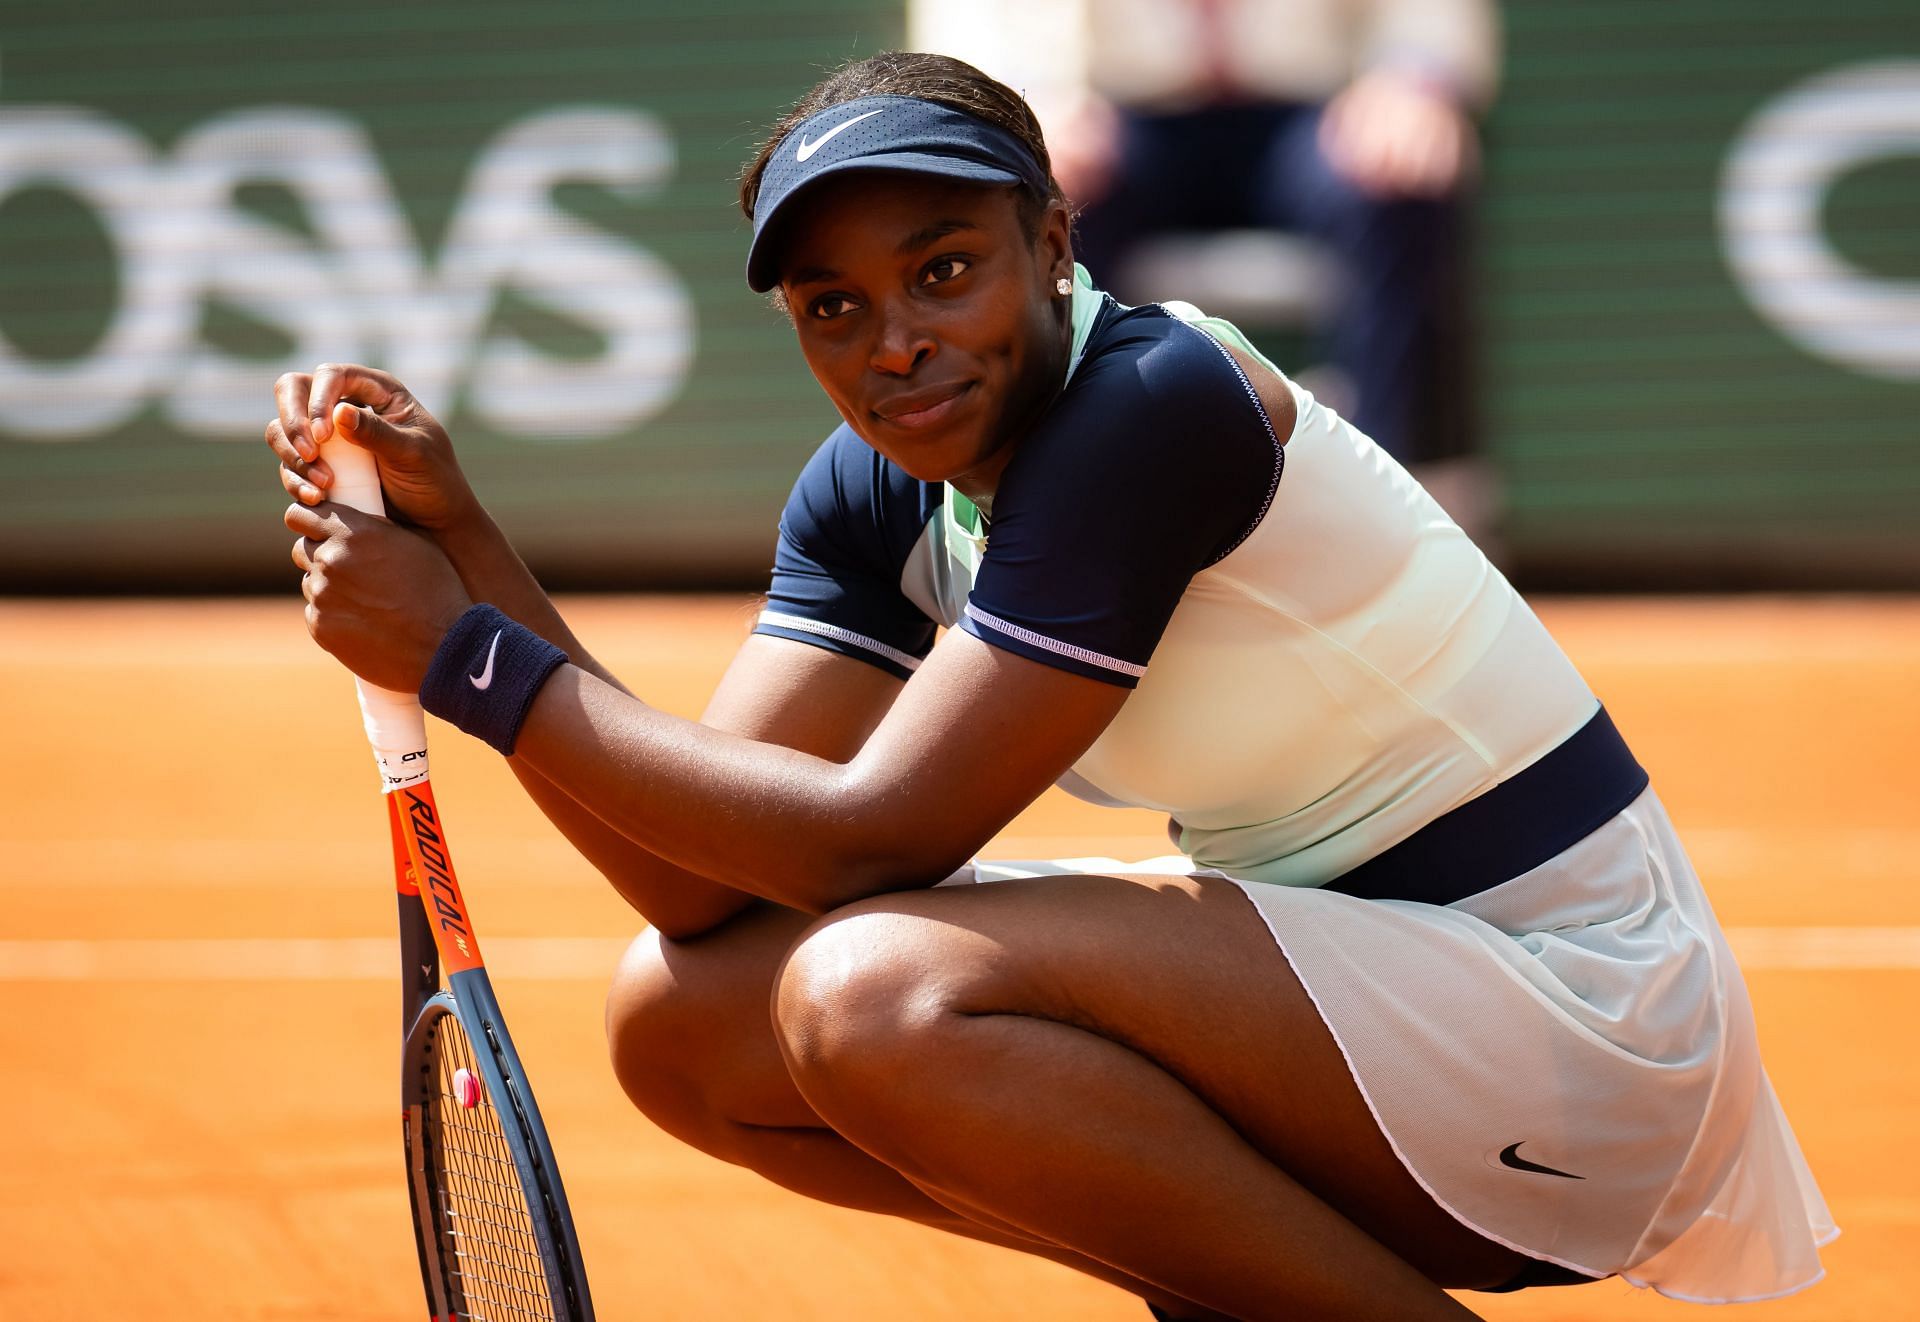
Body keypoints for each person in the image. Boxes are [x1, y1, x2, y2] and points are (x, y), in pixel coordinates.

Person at [265, 52, 1832, 1321]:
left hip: (1581, 1026)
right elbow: (695, 884)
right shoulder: (876, 488)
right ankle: (1226, 1288)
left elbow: (865, 840)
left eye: (944, 270)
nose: (898, 345)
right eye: (836, 307)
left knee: (869, 990)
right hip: (1367, 1017)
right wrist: (467, 547)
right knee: (687, 1025)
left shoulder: (1153, 408)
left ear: (1055, 245)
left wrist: (468, 660)